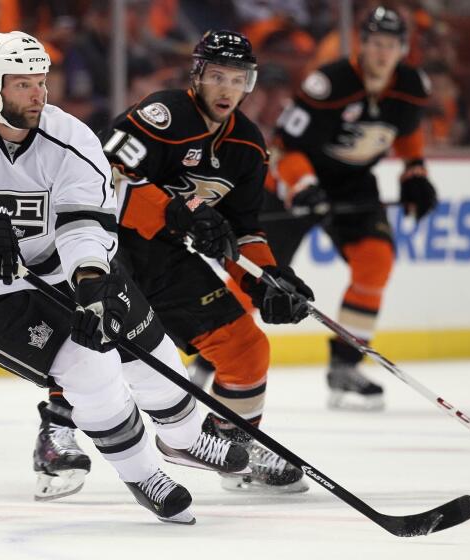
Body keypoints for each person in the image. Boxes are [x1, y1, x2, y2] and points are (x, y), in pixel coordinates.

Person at [0, 31, 250, 525]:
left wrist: (91, 280)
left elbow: (85, 221)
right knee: (91, 372)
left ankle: (183, 438)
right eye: (23, 84)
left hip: (63, 267)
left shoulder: (70, 137)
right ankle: (143, 474)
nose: (38, 95)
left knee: (153, 357)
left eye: (41, 82)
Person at [35, 30, 316, 496]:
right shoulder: (162, 116)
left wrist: (267, 281)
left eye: (238, 79)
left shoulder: (246, 146)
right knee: (92, 340)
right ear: (197, 75)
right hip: (103, 246)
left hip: (164, 258)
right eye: (218, 76)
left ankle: (231, 448)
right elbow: (97, 182)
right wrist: (175, 212)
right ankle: (55, 434)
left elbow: (243, 230)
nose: (227, 89)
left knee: (246, 348)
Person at [265, 6, 437, 411]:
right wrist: (304, 188)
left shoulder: (412, 86)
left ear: (402, 49)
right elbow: (285, 147)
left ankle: (345, 365)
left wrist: (415, 172)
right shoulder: (331, 84)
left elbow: (407, 134)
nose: (381, 53)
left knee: (375, 262)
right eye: (374, 44)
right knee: (256, 274)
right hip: (294, 180)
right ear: (362, 45)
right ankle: (211, 356)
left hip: (354, 183)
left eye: (389, 45)